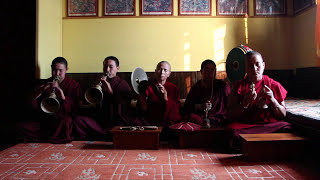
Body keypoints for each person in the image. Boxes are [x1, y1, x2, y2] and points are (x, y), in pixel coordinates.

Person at [226, 51, 291, 151]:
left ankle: (254, 146)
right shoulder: (238, 86)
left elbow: (282, 115)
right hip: (247, 126)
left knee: (286, 127)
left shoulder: (273, 85)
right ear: (245, 68)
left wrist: (273, 100)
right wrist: (244, 103)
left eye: (257, 64)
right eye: (250, 66)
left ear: (263, 65)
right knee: (232, 131)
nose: (255, 69)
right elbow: (230, 115)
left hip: (268, 125)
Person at [16, 57, 81, 144]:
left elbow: (75, 107)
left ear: (66, 70)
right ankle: (51, 137)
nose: (57, 74)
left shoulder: (74, 85)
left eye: (60, 70)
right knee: (20, 127)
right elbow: (32, 105)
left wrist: (62, 95)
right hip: (46, 119)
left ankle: (46, 138)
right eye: (54, 70)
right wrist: (41, 90)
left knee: (67, 122)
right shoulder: (45, 83)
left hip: (61, 119)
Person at [73, 56, 133, 140]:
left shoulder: (122, 84)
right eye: (105, 66)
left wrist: (111, 92)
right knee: (78, 120)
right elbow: (90, 101)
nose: (107, 70)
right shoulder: (99, 82)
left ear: (117, 69)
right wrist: (95, 87)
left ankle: (103, 136)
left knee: (122, 129)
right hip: (101, 121)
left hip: (117, 122)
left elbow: (126, 105)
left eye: (110, 67)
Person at [183, 59, 231, 127]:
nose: (210, 73)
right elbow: (187, 106)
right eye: (206, 70)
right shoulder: (197, 87)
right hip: (202, 118)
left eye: (212, 70)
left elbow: (230, 105)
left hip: (218, 117)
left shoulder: (222, 86)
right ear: (201, 71)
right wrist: (201, 106)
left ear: (215, 72)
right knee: (190, 117)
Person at [138, 61, 181, 128]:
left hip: (167, 120)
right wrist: (142, 98)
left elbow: (176, 109)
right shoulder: (148, 86)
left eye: (165, 70)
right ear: (155, 71)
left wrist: (166, 98)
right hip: (151, 119)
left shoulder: (173, 88)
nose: (162, 72)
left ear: (169, 73)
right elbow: (143, 107)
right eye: (159, 69)